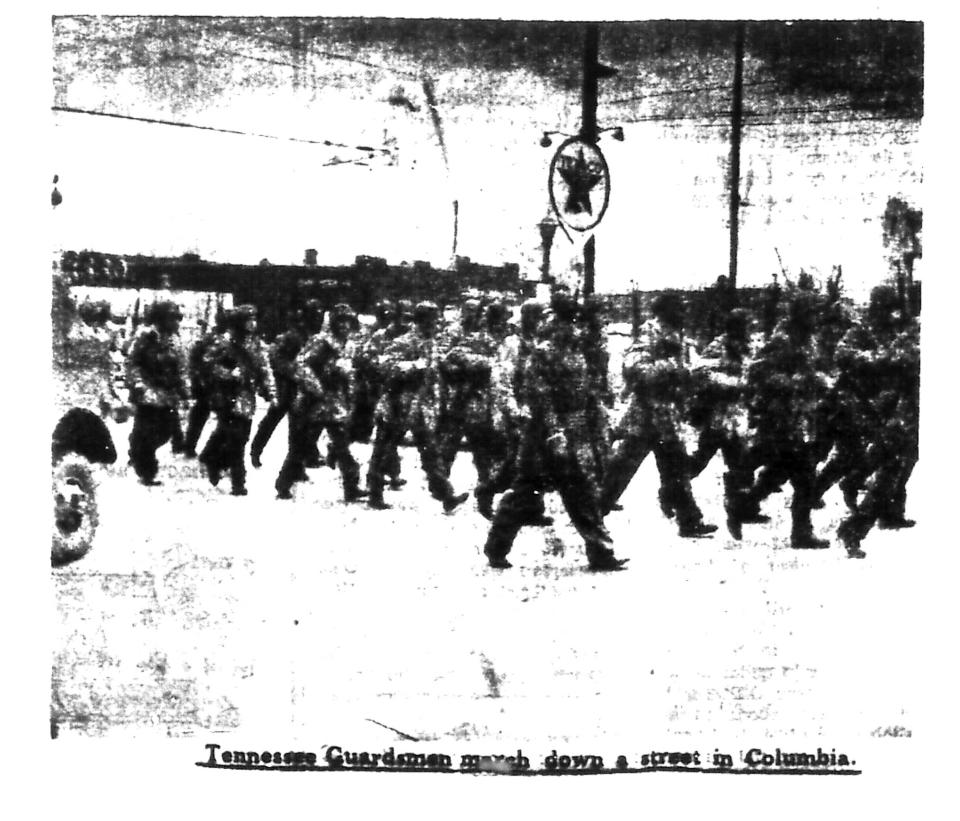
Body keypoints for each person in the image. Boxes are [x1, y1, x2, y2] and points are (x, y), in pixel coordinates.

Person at [483, 291, 627, 571]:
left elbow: (589, 388)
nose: (571, 329)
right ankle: (496, 548)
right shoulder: (543, 351)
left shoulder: (577, 347)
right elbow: (541, 396)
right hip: (543, 435)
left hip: (571, 431)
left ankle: (601, 553)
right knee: (525, 492)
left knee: (582, 493)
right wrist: (555, 432)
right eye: (567, 322)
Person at [600, 292, 717, 538]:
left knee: (676, 469)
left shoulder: (678, 336)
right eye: (679, 309)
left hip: (667, 415)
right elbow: (635, 369)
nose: (684, 313)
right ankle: (592, 513)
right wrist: (672, 368)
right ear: (665, 311)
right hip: (645, 416)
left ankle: (689, 520)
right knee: (621, 470)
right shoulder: (648, 335)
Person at [742, 293, 831, 549]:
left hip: (801, 416)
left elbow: (813, 370)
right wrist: (790, 382)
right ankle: (801, 534)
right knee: (803, 475)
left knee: (781, 471)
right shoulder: (781, 339)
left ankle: (743, 504)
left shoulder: (808, 340)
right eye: (812, 313)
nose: (816, 318)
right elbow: (756, 370)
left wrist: (821, 380)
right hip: (782, 418)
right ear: (800, 315)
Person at [366, 301, 469, 512]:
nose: (437, 324)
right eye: (433, 320)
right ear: (422, 321)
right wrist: (414, 366)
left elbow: (438, 365)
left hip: (419, 406)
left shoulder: (430, 342)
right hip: (396, 404)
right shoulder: (404, 342)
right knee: (384, 449)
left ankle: (446, 495)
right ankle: (374, 493)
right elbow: (387, 366)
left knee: (430, 451)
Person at [275, 304, 367, 502]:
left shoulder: (348, 345)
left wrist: (349, 389)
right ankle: (283, 483)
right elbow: (301, 365)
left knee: (342, 446)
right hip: (314, 401)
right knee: (302, 445)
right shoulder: (321, 341)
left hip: (334, 402)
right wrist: (315, 386)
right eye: (340, 322)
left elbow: (349, 374)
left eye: (348, 322)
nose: (344, 326)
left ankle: (351, 487)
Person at [687, 308, 759, 539]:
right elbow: (700, 372)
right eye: (747, 325)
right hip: (719, 414)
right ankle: (673, 491)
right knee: (701, 459)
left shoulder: (748, 347)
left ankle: (739, 509)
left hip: (738, 413)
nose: (750, 330)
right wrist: (733, 383)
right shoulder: (720, 346)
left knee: (740, 463)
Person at [199, 306, 275, 496]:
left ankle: (210, 457)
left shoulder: (257, 345)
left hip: (246, 397)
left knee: (235, 435)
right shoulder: (225, 342)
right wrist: (227, 373)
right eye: (248, 319)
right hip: (225, 395)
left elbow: (265, 370)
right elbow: (207, 363)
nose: (253, 323)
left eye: (254, 319)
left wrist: (272, 393)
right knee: (236, 439)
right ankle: (238, 482)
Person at [249, 299, 324, 468]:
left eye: (319, 315)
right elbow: (275, 357)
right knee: (273, 419)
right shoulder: (293, 336)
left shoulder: (314, 337)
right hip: (286, 385)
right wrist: (293, 371)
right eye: (314, 315)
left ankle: (298, 464)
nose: (317, 319)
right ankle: (256, 451)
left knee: (298, 427)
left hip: (302, 387)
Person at [125, 300, 188, 485]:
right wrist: (138, 384)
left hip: (168, 392)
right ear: (161, 319)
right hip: (147, 391)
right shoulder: (145, 336)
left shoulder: (175, 340)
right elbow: (132, 362)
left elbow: (182, 367)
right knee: (147, 432)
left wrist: (185, 391)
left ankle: (138, 450)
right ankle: (147, 471)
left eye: (178, 318)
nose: (176, 322)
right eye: (172, 318)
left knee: (165, 432)